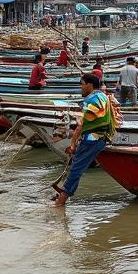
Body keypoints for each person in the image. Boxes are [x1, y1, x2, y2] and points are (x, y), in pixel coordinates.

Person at [51, 73, 115, 207]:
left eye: (82, 84)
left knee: (76, 169)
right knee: (77, 168)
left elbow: (81, 125)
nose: (81, 87)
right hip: (101, 138)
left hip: (92, 140)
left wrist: (73, 143)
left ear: (89, 85)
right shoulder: (103, 96)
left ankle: (60, 202)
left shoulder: (91, 100)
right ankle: (62, 196)